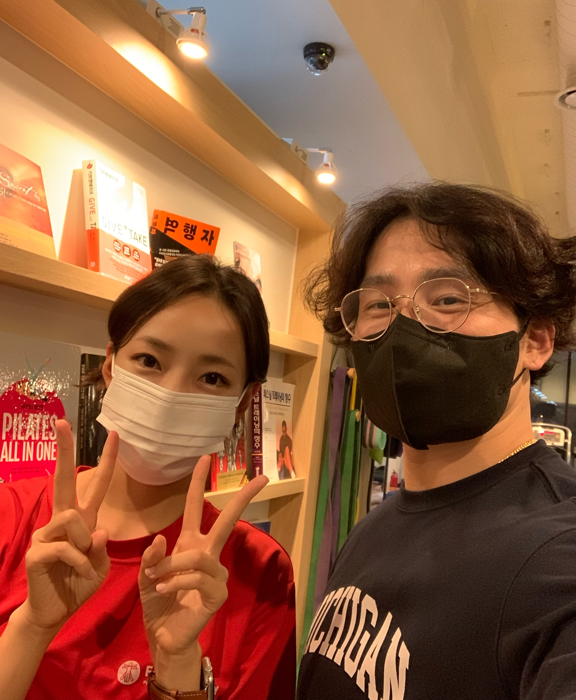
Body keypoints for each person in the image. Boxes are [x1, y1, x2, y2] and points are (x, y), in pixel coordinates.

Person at [298, 183, 576, 700]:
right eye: (378, 305)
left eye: (448, 299)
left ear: (535, 340)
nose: (404, 327)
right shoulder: (373, 527)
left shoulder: (558, 552)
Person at [0, 255, 296, 700]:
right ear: (111, 365)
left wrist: (178, 664)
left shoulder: (261, 573)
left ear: (242, 402)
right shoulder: (10, 515)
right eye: (149, 360)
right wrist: (32, 625)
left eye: (212, 377)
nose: (170, 394)